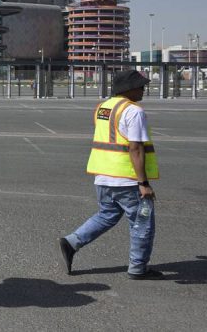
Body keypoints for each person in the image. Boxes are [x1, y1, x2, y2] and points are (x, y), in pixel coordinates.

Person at [59, 70, 161, 280]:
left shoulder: (103, 107)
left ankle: (72, 242)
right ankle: (138, 268)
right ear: (128, 88)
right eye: (140, 86)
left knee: (107, 214)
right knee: (142, 222)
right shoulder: (134, 111)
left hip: (104, 175)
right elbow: (135, 148)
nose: (144, 89)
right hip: (128, 179)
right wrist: (143, 183)